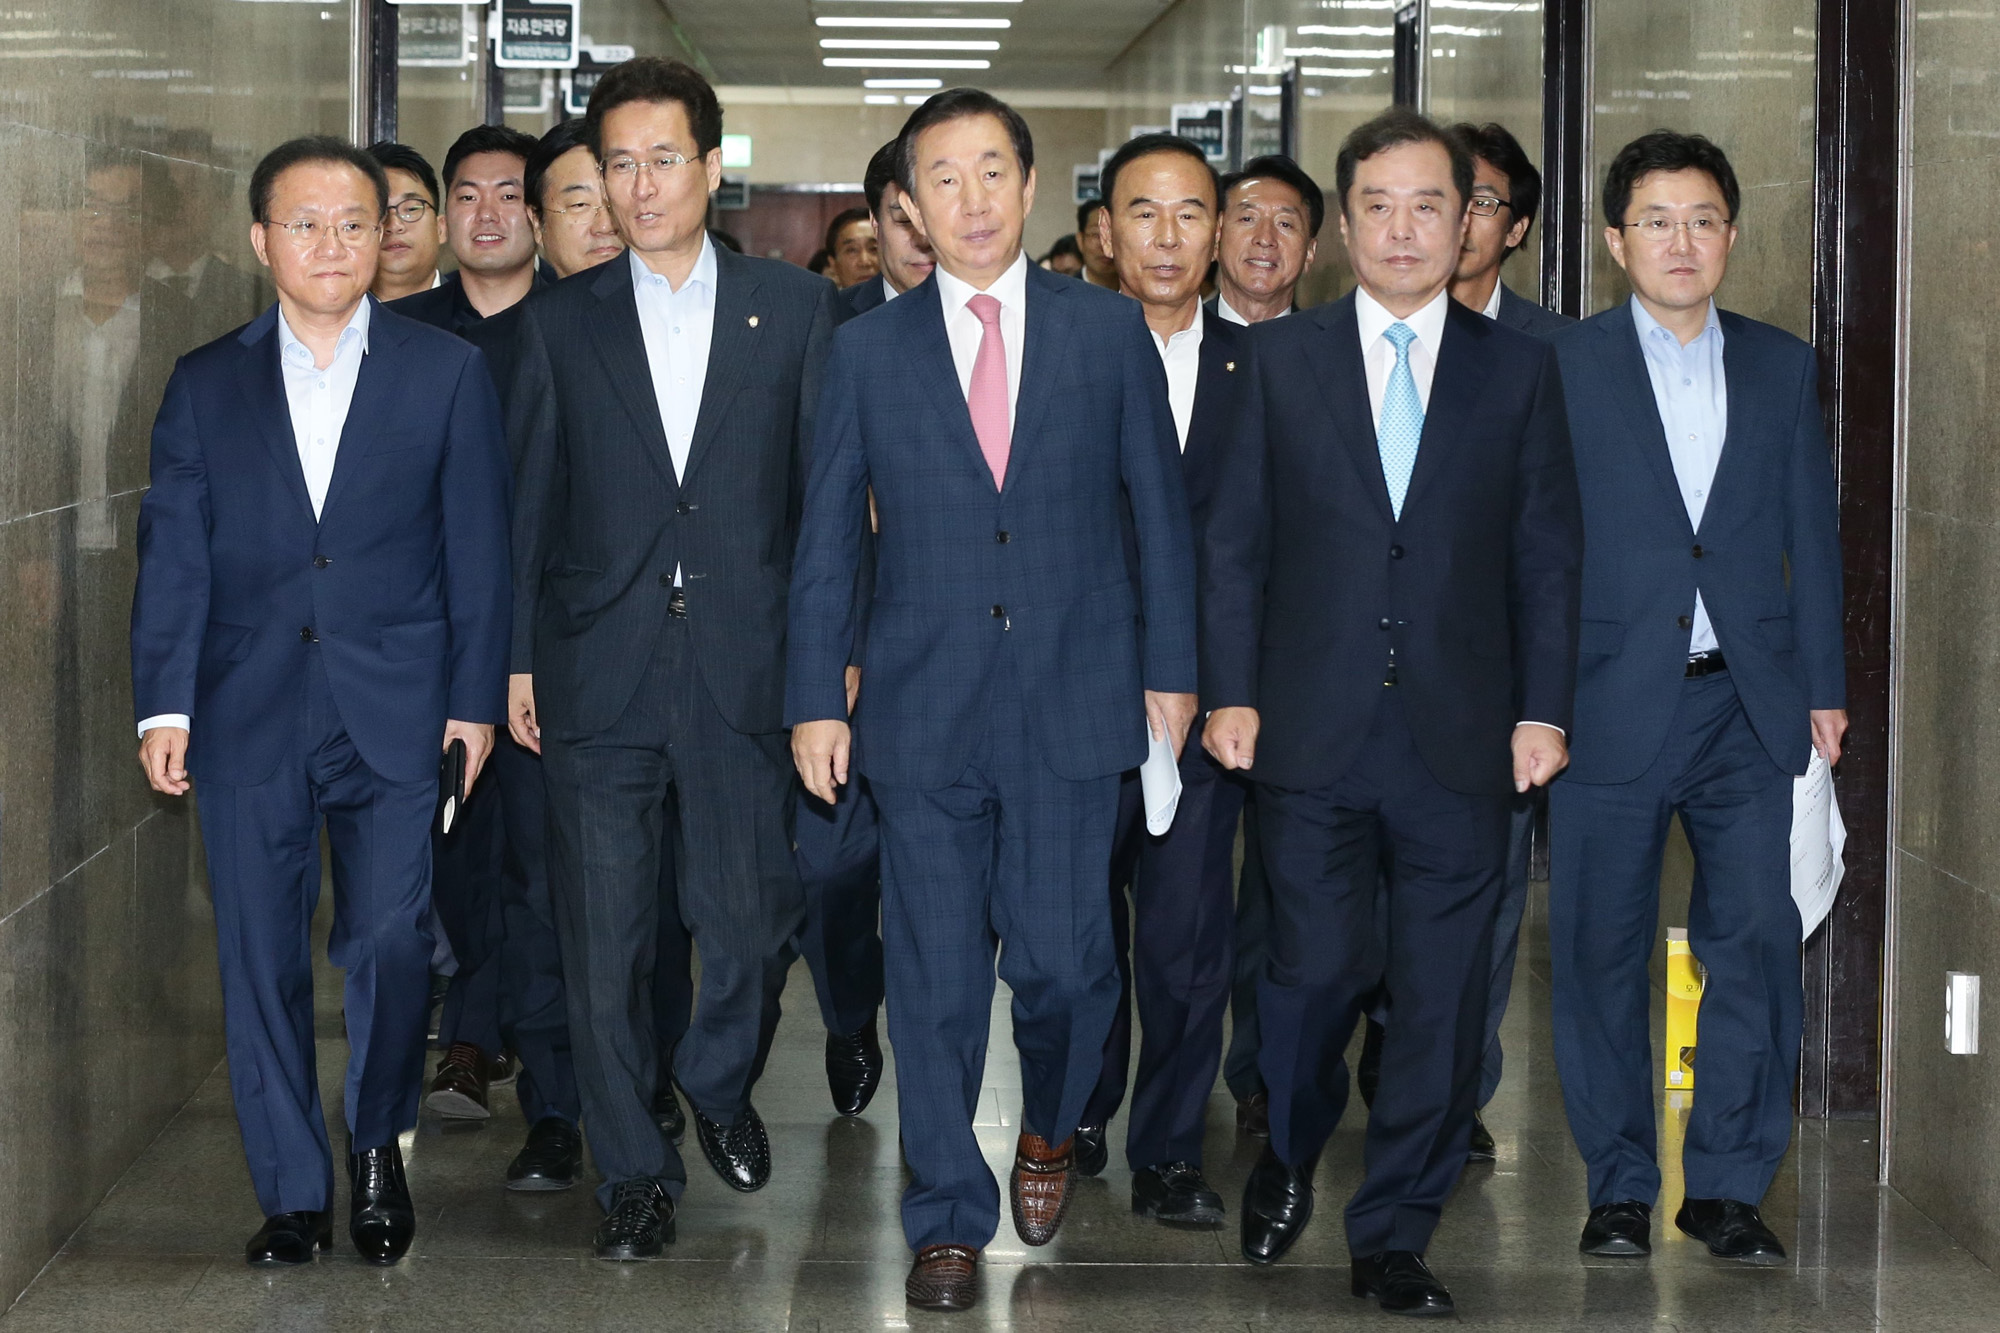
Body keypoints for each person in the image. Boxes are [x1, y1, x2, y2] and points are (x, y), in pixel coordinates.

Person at [787, 89, 1198, 1314]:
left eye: (990, 173)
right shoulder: (865, 348)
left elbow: (1157, 518)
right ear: (909, 201)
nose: (968, 200)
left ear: (1029, 186)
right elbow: (825, 543)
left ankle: (1051, 1128)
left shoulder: (1103, 332)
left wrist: (1170, 669)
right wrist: (817, 695)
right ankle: (944, 1218)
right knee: (933, 979)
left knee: (1071, 968)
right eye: (940, 179)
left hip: (1074, 698)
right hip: (919, 706)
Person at [1200, 107, 1581, 1316]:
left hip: (1464, 737)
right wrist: (1229, 692)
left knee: (1441, 995)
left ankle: (1394, 1230)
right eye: (1379, 204)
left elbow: (1546, 556)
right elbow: (1232, 548)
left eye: (1433, 204)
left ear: (1468, 220)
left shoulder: (1519, 369)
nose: (1406, 228)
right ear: (1342, 224)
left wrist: (1541, 708)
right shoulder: (1275, 363)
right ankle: (1290, 1145)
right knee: (1309, 977)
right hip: (1307, 730)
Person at [130, 136, 512, 1268]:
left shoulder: (443, 373)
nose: (333, 243)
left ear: (385, 237)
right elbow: (175, 553)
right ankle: (292, 1191)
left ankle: (375, 1141)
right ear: (261, 242)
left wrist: (473, 702)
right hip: (246, 707)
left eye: (356, 222)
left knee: (393, 938)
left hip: (396, 707)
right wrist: (164, 705)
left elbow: (478, 550)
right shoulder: (205, 381)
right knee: (258, 955)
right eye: (305, 223)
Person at [508, 56, 839, 1260]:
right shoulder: (558, 322)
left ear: (711, 166)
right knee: (604, 947)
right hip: (595, 668)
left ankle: (711, 1076)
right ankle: (633, 1177)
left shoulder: (795, 312)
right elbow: (525, 509)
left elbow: (820, 510)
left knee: (752, 919)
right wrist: (511, 663)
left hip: (746, 671)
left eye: (663, 160)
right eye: (617, 166)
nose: (640, 187)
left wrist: (825, 662)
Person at [1547, 131, 1845, 1267]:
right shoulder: (1560, 368)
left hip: (1744, 704)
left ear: (1729, 235)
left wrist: (1820, 684)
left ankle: (1724, 1185)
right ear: (1615, 240)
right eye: (1656, 221)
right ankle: (1618, 1183)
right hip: (1602, 702)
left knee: (1756, 941)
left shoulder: (1777, 364)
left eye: (1703, 219)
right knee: (1598, 950)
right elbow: (1533, 548)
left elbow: (1808, 538)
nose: (1681, 241)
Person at [1067, 132, 1244, 1229]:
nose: (1167, 236)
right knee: (1074, 938)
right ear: (1102, 232)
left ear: (1218, 231)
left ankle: (1169, 1149)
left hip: (1208, 709)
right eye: (1143, 212)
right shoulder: (1058, 354)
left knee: (1184, 944)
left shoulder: (1264, 370)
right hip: (1072, 697)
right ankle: (1079, 1102)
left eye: (1190, 213)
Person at [1205, 153, 1327, 1142]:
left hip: (1303, 665)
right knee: (1181, 895)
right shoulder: (1163, 343)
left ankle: (1259, 1073)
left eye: (1285, 223)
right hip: (1185, 665)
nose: (1261, 239)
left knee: (1282, 894)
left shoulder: (1332, 356)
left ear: (1314, 247)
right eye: (1243, 217)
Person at [390, 124, 547, 335]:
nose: (486, 214)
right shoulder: (396, 327)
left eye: (508, 196)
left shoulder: (575, 322)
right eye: (468, 197)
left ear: (537, 216)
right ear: (445, 217)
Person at [1210, 154, 1322, 326]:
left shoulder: (1329, 349)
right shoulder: (1177, 340)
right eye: (1247, 219)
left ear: (1309, 251)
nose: (1265, 239)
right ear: (1216, 238)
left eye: (1285, 224)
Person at [841, 139, 937, 317]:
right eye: (905, 220)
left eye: (936, 219)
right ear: (875, 222)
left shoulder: (993, 312)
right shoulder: (832, 318)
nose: (924, 239)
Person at [365, 142, 445, 301]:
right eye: (380, 212)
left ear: (441, 228)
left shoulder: (480, 316)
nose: (394, 226)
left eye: (411, 209)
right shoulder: (328, 320)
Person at [824, 204, 880, 290]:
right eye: (852, 250)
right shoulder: (823, 303)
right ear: (833, 264)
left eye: (874, 249)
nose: (865, 262)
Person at [1076, 197, 1118, 288]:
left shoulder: (1141, 295)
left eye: (1113, 235)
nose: (1104, 246)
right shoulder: (1062, 296)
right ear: (1080, 240)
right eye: (1096, 235)